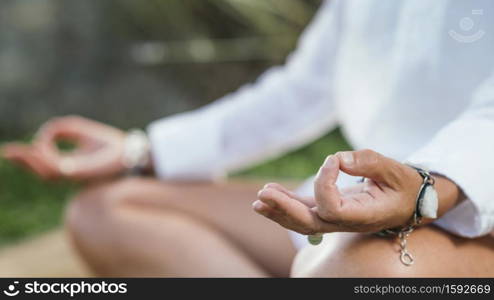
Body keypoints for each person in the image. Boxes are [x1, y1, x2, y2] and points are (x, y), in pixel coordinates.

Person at [3, 0, 494, 277]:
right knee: (106, 212)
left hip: (471, 208)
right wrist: (142, 150)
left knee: (351, 273)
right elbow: (302, 88)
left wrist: (428, 190)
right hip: (358, 206)